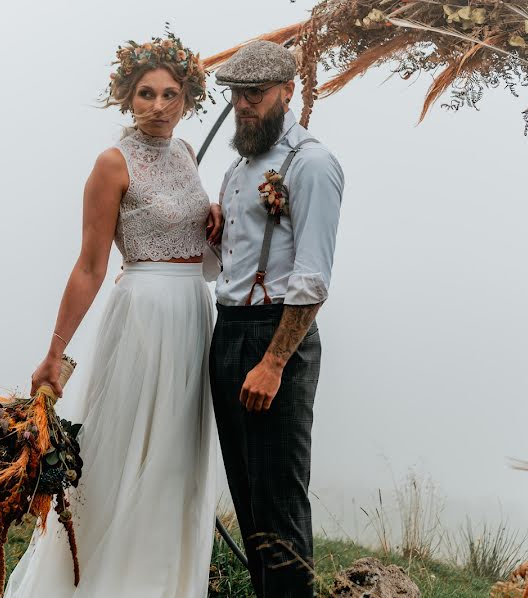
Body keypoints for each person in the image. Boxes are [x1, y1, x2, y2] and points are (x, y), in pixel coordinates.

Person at [4, 33, 223, 597]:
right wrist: (54, 353)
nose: (157, 105)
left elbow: (194, 242)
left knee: (176, 456)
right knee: (123, 449)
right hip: (144, 314)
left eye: (170, 94)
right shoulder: (111, 163)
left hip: (193, 313)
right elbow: (90, 266)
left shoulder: (187, 153)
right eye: (145, 93)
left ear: (187, 99)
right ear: (127, 98)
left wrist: (215, 218)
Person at [208, 40, 345, 598]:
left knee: (280, 500)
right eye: (237, 94)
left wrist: (273, 362)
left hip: (275, 336)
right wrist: (213, 234)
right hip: (228, 330)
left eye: (256, 94)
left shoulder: (311, 163)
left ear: (287, 92)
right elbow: (226, 267)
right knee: (247, 493)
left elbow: (312, 280)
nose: (244, 105)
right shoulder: (238, 168)